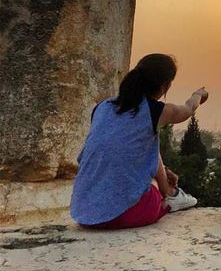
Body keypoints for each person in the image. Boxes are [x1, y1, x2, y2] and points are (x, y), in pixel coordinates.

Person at [70, 53, 208, 229]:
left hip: (83, 210)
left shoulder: (102, 107)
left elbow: (117, 148)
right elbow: (188, 109)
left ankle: (169, 191)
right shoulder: (154, 111)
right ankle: (170, 196)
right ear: (165, 85)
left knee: (149, 138)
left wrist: (163, 171)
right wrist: (198, 94)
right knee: (152, 195)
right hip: (121, 215)